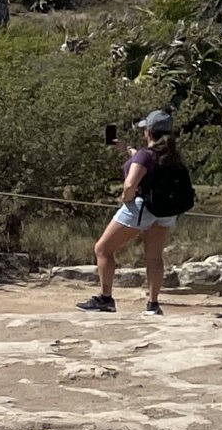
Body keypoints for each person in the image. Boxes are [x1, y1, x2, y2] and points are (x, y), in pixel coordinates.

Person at [78, 109, 189, 316]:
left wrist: (126, 198)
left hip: (140, 209)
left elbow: (131, 183)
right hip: (165, 211)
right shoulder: (172, 155)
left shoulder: (145, 156)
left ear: (148, 131)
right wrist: (127, 149)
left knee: (103, 249)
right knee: (154, 257)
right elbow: (146, 160)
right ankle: (153, 304)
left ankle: (105, 297)